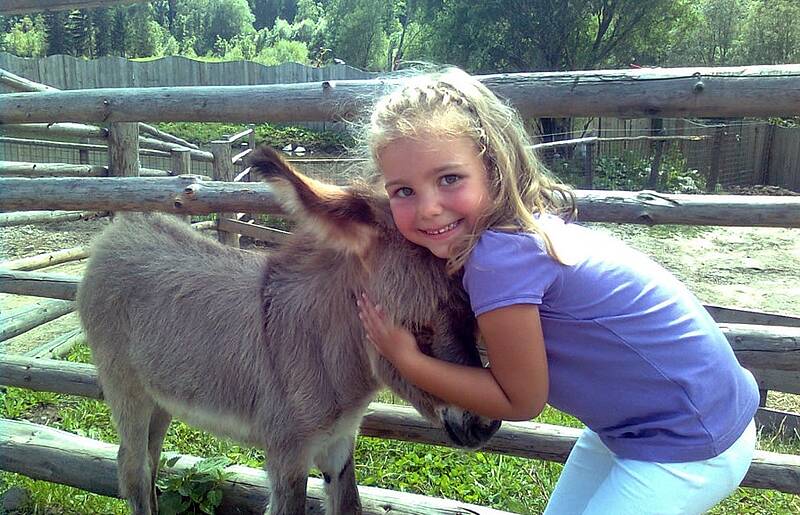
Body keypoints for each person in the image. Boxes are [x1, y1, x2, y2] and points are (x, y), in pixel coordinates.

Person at [355, 66, 759, 514]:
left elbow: (520, 400)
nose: (428, 208)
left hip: (689, 437)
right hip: (642, 423)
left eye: (449, 178)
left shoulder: (497, 259)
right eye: (403, 191)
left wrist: (406, 359)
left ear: (493, 167)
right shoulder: (512, 234)